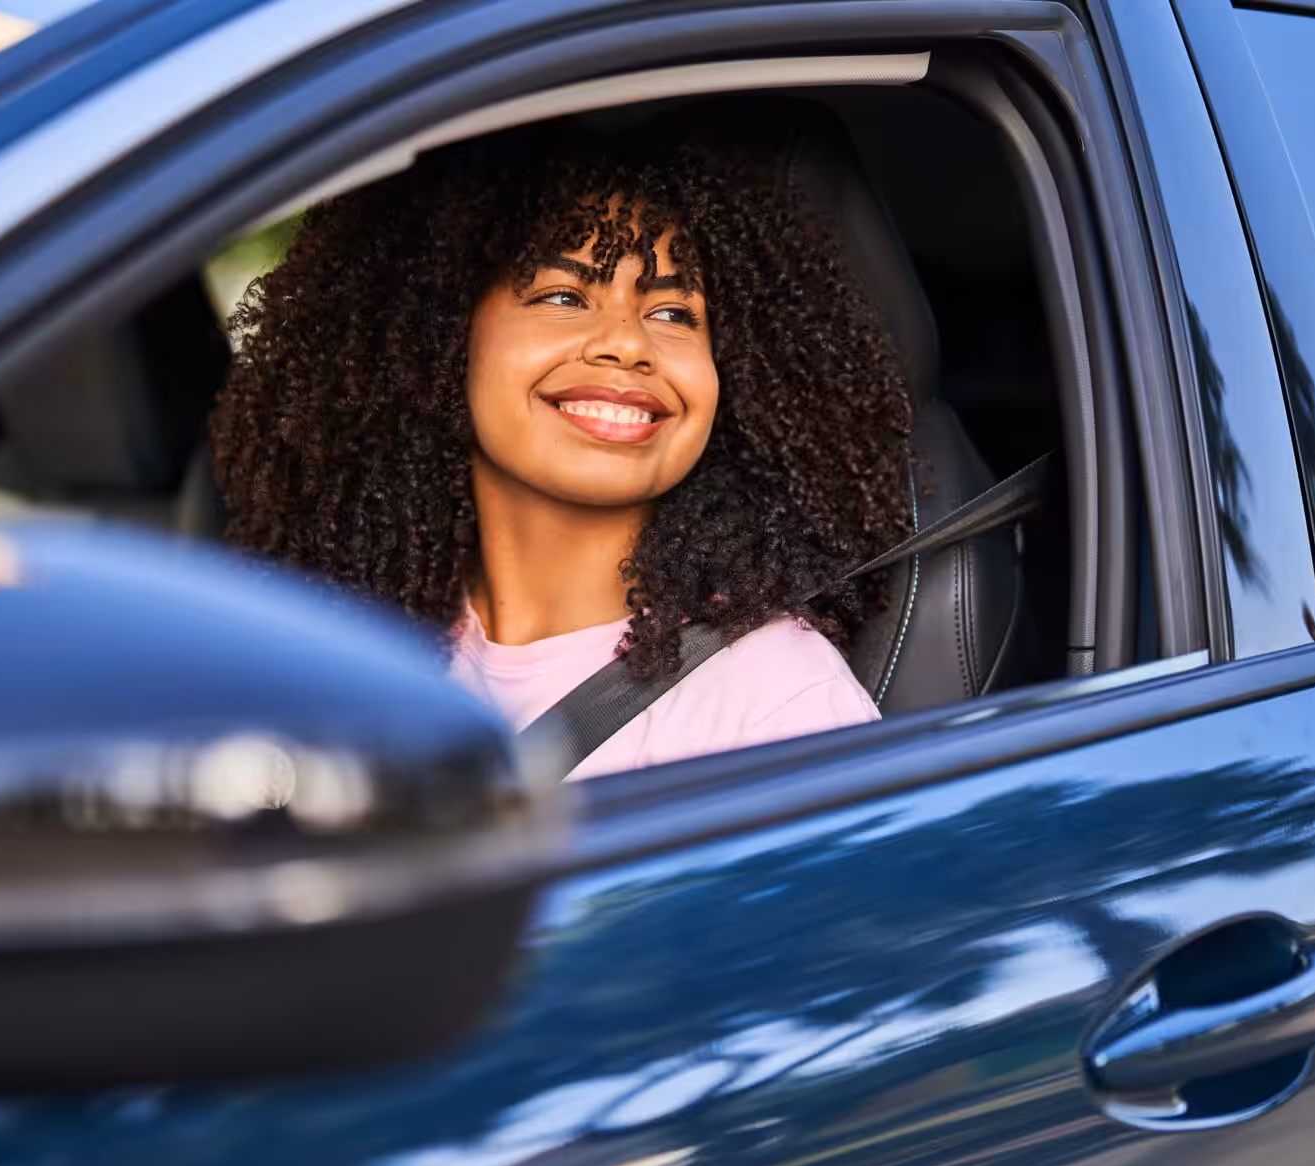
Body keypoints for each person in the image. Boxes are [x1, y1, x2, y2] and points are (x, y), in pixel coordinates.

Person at [209, 118, 916, 778]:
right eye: (563, 296)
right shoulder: (348, 644)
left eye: (672, 312)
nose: (628, 343)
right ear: (440, 341)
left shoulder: (775, 703)